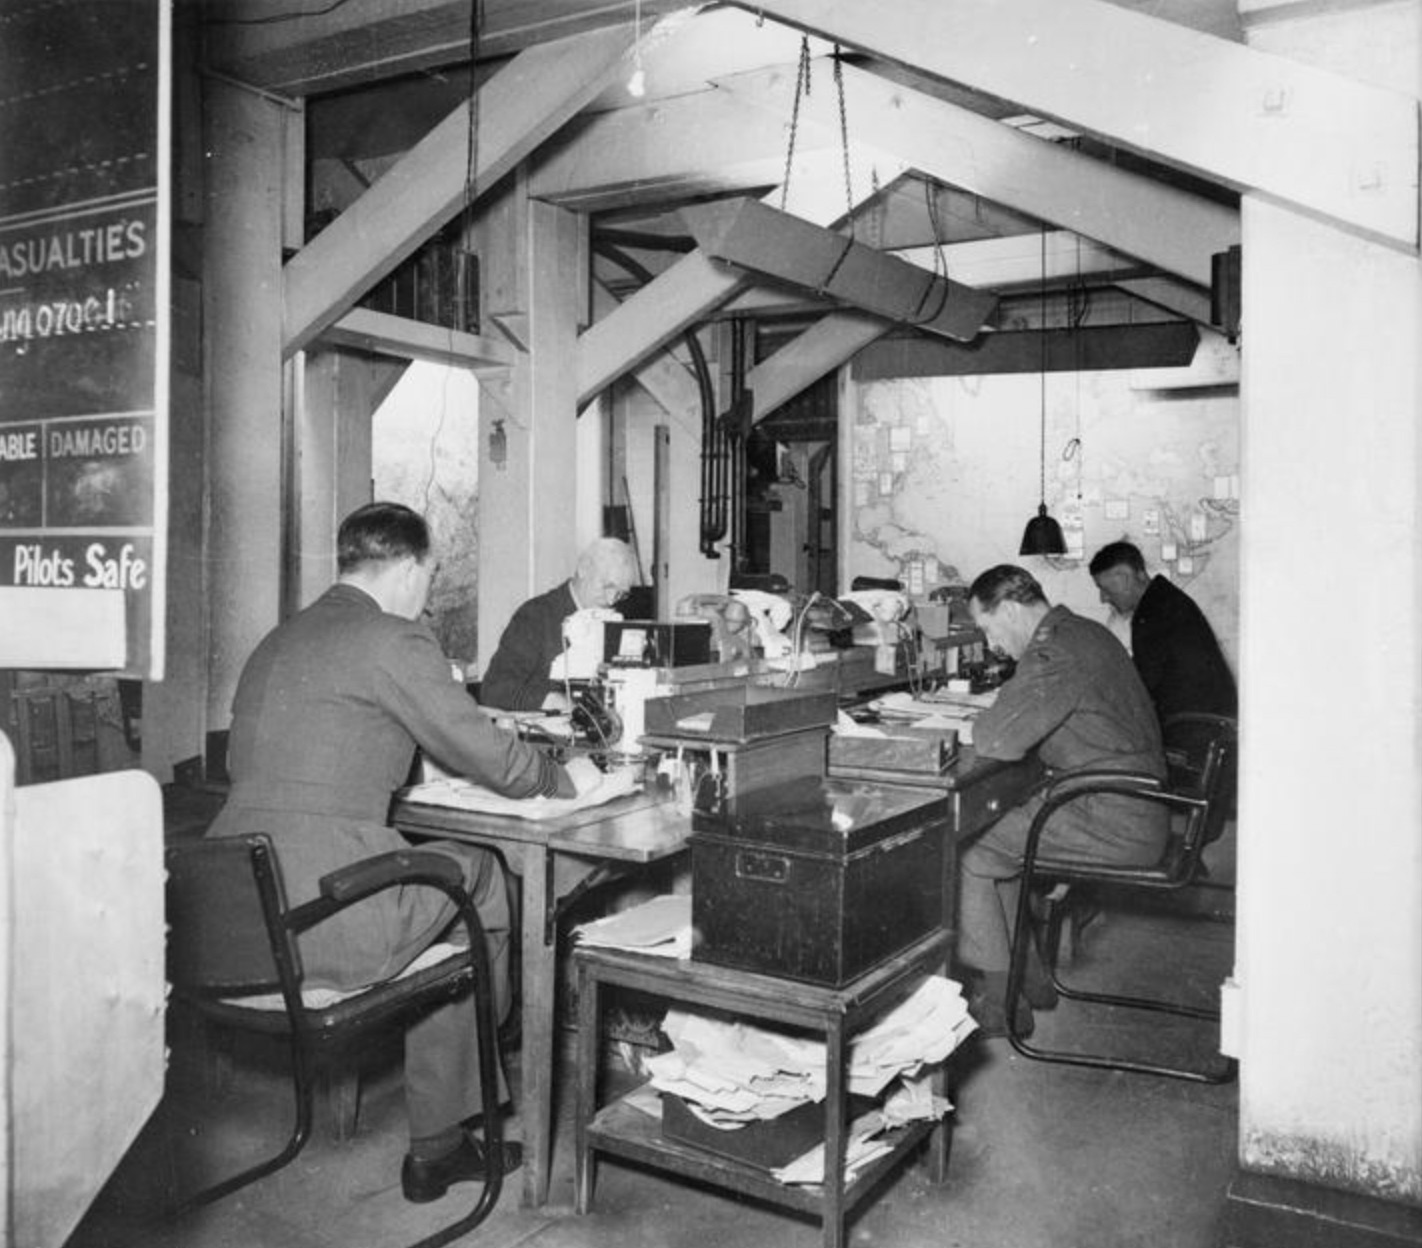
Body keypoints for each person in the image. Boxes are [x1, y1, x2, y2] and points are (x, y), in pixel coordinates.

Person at [206, 501, 600, 1203]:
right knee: (480, 879)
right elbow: (495, 760)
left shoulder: (277, 640)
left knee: (450, 902)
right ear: (413, 568)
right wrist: (565, 777)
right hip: (327, 919)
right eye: (431, 574)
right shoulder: (394, 639)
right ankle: (444, 1134)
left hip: (237, 916)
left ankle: (458, 1089)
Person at [960, 564, 1168, 1036]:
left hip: (1112, 813)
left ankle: (999, 1003)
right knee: (1004, 844)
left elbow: (996, 741)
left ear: (1010, 610)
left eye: (988, 628)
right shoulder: (1083, 632)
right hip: (1130, 804)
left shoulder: (1054, 652)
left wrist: (990, 714)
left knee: (971, 851)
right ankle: (1028, 980)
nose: (992, 645)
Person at [479, 536, 639, 711]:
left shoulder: (614, 624)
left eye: (621, 594)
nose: (611, 601)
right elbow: (494, 691)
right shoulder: (536, 616)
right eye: (608, 586)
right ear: (584, 569)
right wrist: (552, 701)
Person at [1088, 541, 1237, 726]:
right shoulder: (1162, 601)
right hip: (1200, 722)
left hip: (1195, 728)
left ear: (1126, 577)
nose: (1103, 598)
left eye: (1105, 589)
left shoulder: (1157, 612)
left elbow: (1141, 687)